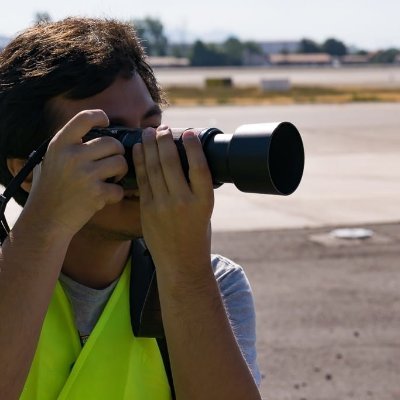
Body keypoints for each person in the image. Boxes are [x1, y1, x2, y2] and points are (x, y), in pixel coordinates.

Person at [0, 18, 261, 399]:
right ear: (25, 173)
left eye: (153, 130)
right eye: (113, 139)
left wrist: (186, 272)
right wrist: (45, 227)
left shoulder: (215, 283)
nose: (146, 158)